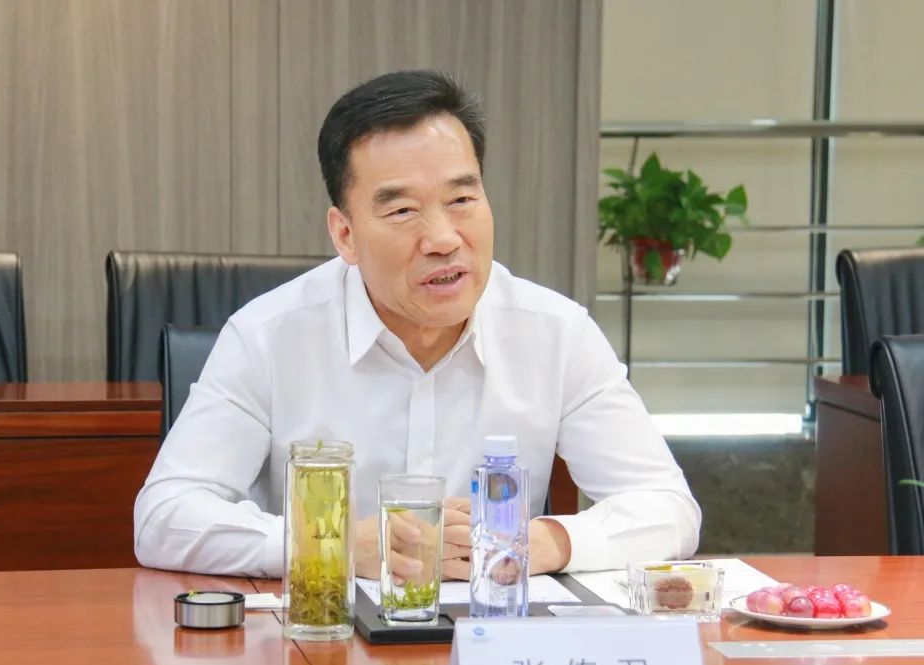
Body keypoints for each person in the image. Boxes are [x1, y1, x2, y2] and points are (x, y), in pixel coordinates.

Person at [134, 70, 700, 580]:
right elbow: (164, 516)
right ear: (345, 234)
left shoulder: (557, 334)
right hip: (320, 642)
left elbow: (668, 507)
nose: (444, 239)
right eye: (403, 210)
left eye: (462, 198)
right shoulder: (267, 337)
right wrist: (328, 545)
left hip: (491, 641)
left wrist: (539, 541)